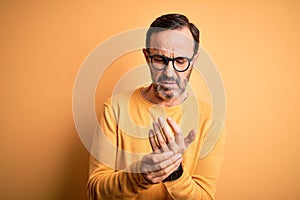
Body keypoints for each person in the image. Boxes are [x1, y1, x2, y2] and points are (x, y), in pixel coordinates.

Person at [87, 13, 225, 200]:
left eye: (180, 61)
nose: (169, 73)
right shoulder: (114, 109)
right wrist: (139, 175)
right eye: (160, 59)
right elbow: (95, 192)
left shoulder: (210, 120)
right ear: (147, 56)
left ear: (194, 60)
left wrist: (174, 171)